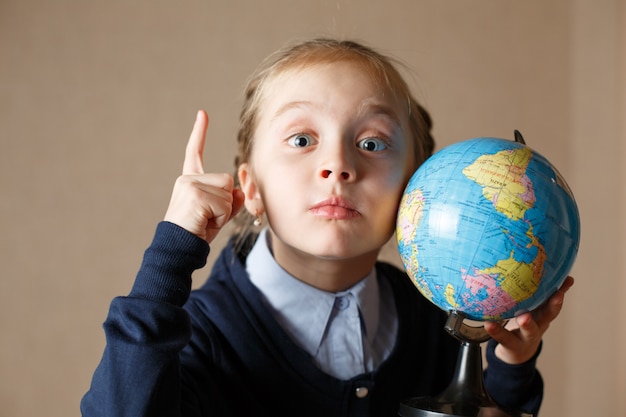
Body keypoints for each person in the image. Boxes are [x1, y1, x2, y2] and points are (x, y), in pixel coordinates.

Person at [80, 38, 574, 417]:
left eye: (373, 143)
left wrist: (511, 365)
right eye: (301, 139)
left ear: (413, 187)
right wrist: (171, 254)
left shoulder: (436, 321)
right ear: (250, 189)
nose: (337, 164)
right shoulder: (201, 333)